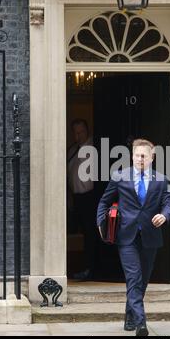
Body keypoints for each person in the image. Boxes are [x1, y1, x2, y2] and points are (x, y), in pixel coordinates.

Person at [97, 139, 170, 336]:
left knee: (143, 280)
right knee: (134, 277)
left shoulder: (161, 179)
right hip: (126, 236)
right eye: (137, 155)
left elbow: (168, 204)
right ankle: (141, 324)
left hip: (150, 236)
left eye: (144, 156)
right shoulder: (120, 176)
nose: (140, 159)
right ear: (132, 156)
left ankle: (129, 316)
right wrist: (100, 224)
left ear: (152, 157)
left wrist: (164, 215)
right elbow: (104, 201)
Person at [67, 119, 95, 281]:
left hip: (90, 197)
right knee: (81, 234)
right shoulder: (72, 150)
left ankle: (91, 269)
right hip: (76, 197)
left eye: (81, 132)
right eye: (76, 133)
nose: (78, 136)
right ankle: (83, 268)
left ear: (87, 131)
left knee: (90, 234)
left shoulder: (93, 148)